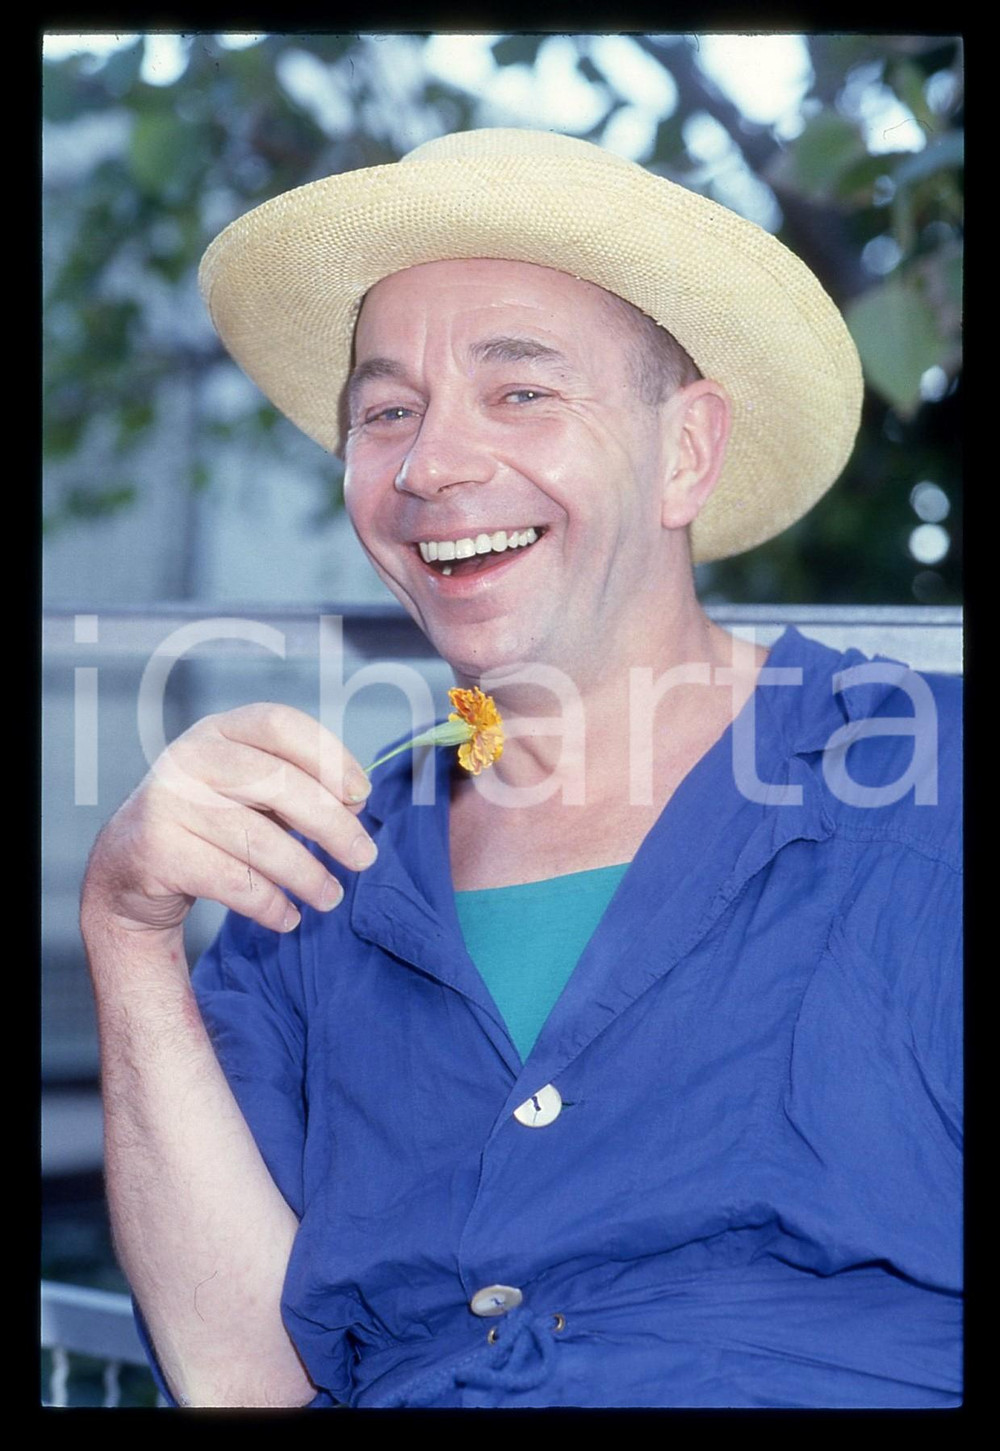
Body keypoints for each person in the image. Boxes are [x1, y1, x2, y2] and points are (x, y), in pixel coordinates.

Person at [80, 128, 962, 1409]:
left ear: (685, 451)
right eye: (386, 411)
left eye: (521, 392)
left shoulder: (925, 778)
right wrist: (128, 926)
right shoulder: (316, 865)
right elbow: (241, 1375)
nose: (431, 465)